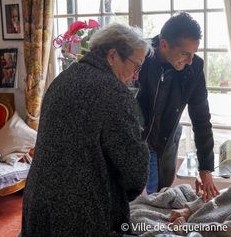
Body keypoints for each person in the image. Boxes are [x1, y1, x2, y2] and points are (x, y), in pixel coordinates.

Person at [21, 23, 152, 236]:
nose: (136, 74)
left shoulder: (62, 80)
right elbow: (133, 166)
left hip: (39, 199)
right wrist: (128, 191)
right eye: (136, 66)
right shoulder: (114, 92)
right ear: (112, 55)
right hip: (82, 211)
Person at [136, 12, 219, 201]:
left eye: (193, 53)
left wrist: (205, 168)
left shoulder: (194, 67)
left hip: (164, 143)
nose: (190, 60)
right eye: (185, 53)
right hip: (134, 143)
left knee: (158, 202)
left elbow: (201, 118)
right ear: (164, 45)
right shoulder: (139, 55)